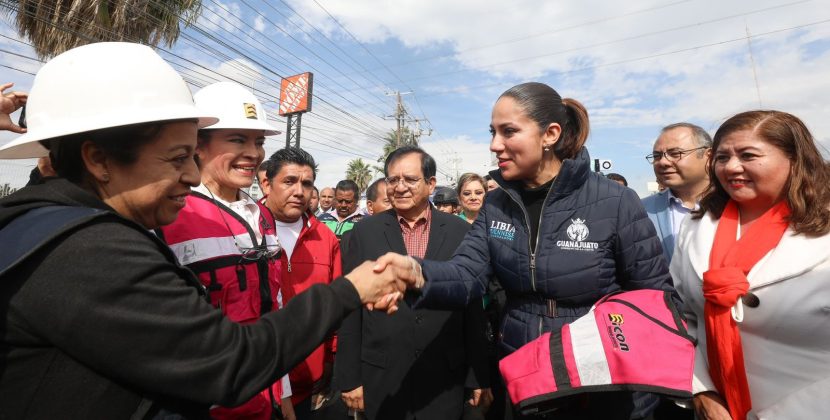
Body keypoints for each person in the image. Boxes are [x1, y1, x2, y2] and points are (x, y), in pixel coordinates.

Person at [0, 42, 406, 419]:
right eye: (178, 158)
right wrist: (350, 291)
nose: (192, 177)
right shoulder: (86, 252)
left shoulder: (45, 221)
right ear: (98, 159)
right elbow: (229, 360)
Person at [374, 82, 674, 419]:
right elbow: (467, 274)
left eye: (508, 132)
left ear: (550, 134)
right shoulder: (496, 205)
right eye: (492, 132)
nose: (494, 145)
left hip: (601, 386)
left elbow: (653, 301)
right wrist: (415, 273)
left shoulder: (615, 202)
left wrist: (641, 401)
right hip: (524, 375)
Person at [670, 110, 830, 420]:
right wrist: (701, 390)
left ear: (795, 160)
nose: (730, 167)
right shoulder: (696, 226)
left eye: (748, 155)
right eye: (721, 157)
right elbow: (682, 315)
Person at [335, 146, 491, 420]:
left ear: (431, 184)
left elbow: (472, 306)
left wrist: (477, 374)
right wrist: (349, 377)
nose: (400, 187)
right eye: (393, 180)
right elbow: (350, 306)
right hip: (382, 376)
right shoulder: (364, 232)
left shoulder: (460, 231)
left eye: (410, 179)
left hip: (444, 377)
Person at [263, 147, 343, 419]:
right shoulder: (244, 231)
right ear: (266, 183)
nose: (299, 191)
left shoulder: (326, 238)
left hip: (308, 381)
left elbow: (336, 305)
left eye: (306, 184)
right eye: (289, 181)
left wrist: (330, 358)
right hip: (257, 381)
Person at [642, 123, 711, 263]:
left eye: (675, 154)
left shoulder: (739, 204)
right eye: (657, 156)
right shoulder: (640, 210)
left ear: (708, 156)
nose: (663, 162)